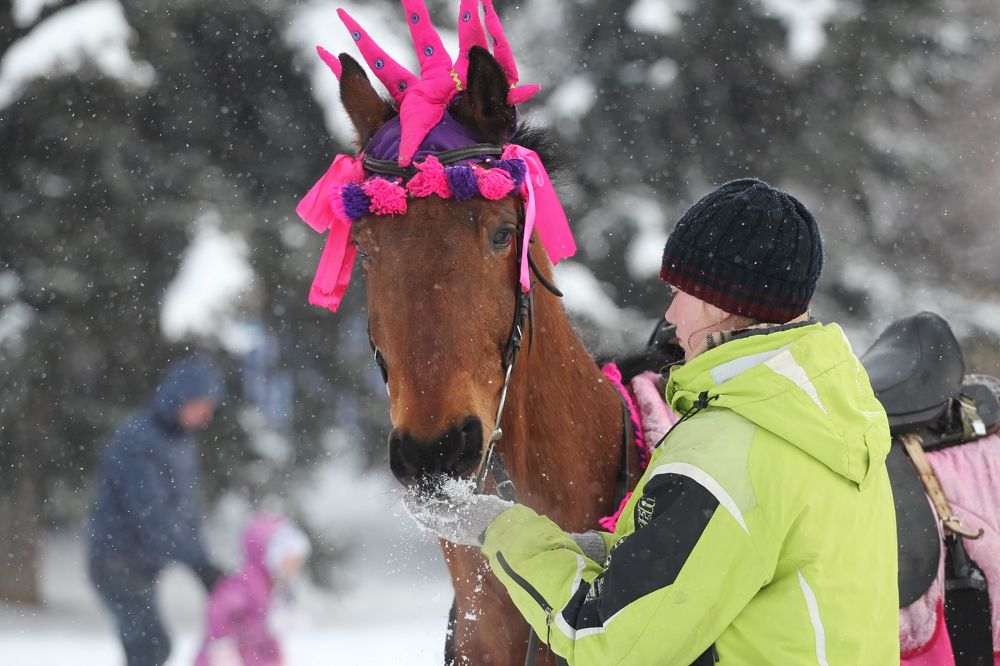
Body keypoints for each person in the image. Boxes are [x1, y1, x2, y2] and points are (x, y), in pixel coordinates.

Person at [404, 178, 900, 665]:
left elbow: (606, 641)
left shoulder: (725, 455)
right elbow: (719, 561)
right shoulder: (828, 417)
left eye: (680, 292)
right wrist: (577, 546)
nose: (671, 314)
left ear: (719, 303)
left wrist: (497, 528)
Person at [88, 354, 226, 666]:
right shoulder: (139, 440)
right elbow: (152, 515)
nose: (206, 416)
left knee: (145, 650)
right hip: (115, 560)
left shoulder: (181, 443)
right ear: (181, 397)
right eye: (201, 405)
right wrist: (198, 564)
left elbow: (186, 514)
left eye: (210, 409)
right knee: (152, 648)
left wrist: (204, 563)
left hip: (140, 565)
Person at [194, 514, 311, 666]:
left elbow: (267, 634)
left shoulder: (274, 587)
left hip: (251, 657)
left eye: (297, 562)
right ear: (272, 555)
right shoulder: (246, 583)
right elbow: (219, 611)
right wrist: (223, 646)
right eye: (289, 561)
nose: (293, 568)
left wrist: (275, 658)